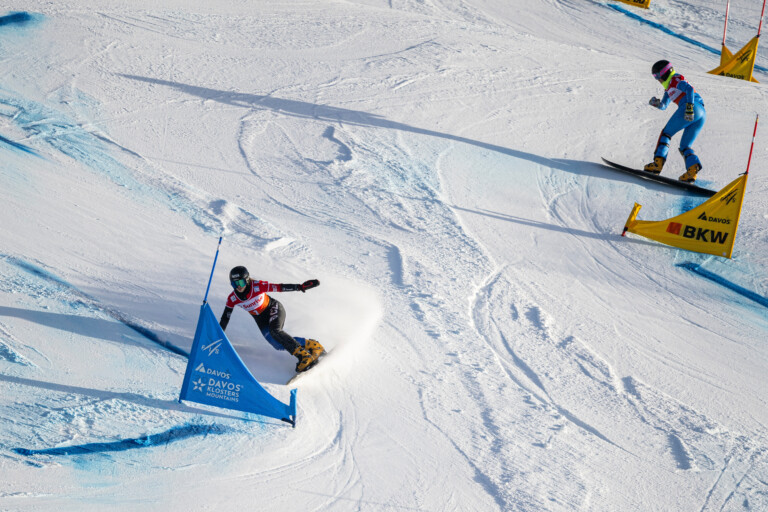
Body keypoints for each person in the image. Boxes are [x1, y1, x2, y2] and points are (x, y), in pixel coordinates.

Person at [219, 265, 325, 372]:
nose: (238, 286)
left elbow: (279, 287)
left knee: (275, 331)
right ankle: (312, 345)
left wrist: (300, 287)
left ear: (246, 280)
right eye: (234, 284)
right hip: (261, 320)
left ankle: (303, 355)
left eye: (241, 282)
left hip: (273, 308)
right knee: (277, 345)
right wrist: (218, 336)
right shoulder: (232, 298)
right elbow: (225, 318)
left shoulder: (257, 286)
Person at [644, 60, 706, 182]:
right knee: (685, 146)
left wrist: (689, 108)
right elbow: (664, 105)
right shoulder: (669, 88)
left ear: (664, 73)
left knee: (666, 133)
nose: (657, 79)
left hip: (691, 107)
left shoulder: (675, 79)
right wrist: (656, 104)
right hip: (701, 113)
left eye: (657, 75)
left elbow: (689, 89)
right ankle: (692, 170)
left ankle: (657, 164)